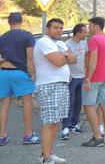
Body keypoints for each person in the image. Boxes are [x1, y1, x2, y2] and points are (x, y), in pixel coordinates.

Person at [34, 18, 76, 164]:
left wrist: (64, 56)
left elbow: (74, 59)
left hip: (62, 85)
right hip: (49, 85)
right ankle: (46, 159)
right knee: (50, 122)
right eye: (56, 27)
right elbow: (58, 62)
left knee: (56, 122)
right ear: (48, 29)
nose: (59, 30)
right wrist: (65, 56)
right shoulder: (43, 42)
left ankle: (48, 154)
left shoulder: (60, 43)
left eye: (61, 28)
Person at [0, 12, 40, 146]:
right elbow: (30, 57)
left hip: (4, 72)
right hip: (20, 72)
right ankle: (28, 135)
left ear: (9, 22)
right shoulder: (27, 35)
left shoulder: (2, 37)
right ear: (21, 21)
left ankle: (2, 135)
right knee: (27, 102)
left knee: (5, 103)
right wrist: (33, 74)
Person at [82, 17, 105, 147]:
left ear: (95, 26)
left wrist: (88, 78)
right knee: (104, 104)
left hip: (95, 77)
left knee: (88, 106)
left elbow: (93, 60)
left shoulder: (94, 40)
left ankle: (97, 137)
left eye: (90, 25)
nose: (88, 28)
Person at [61, 24, 88, 140]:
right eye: (84, 32)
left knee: (78, 101)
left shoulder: (84, 43)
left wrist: (86, 68)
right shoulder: (67, 44)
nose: (86, 34)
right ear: (78, 33)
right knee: (69, 102)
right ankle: (65, 126)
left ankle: (74, 124)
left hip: (81, 76)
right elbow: (64, 60)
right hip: (71, 77)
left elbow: (87, 55)